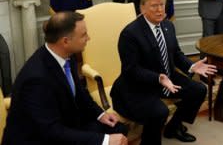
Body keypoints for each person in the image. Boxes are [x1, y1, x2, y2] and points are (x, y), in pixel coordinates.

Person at [2, 12, 128, 145]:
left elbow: (80, 93)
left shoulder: (66, 55)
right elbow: (51, 131)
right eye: (83, 35)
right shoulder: (36, 79)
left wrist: (101, 115)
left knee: (118, 129)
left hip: (65, 123)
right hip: (40, 138)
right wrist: (105, 140)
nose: (88, 38)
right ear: (65, 41)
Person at [111, 0, 217, 145]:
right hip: (137, 85)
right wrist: (158, 78)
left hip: (167, 77)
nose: (160, 10)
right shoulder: (130, 34)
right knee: (159, 112)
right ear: (142, 8)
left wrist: (192, 66)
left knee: (198, 90)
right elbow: (131, 70)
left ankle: (173, 127)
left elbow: (177, 54)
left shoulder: (168, 26)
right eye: (154, 6)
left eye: (162, 5)